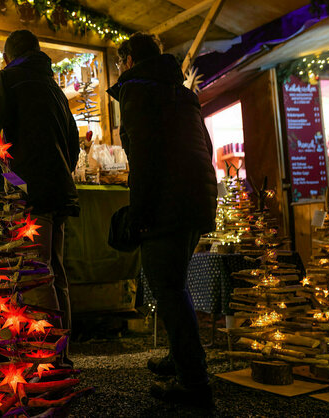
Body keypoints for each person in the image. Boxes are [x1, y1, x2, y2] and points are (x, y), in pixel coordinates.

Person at [107, 33, 216, 407]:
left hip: (167, 204)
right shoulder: (182, 94)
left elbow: (144, 158)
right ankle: (181, 358)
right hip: (194, 201)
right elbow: (206, 148)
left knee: (168, 290)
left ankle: (193, 382)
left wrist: (140, 213)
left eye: (121, 62)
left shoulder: (137, 92)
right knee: (176, 284)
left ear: (129, 61)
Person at [0, 30, 79, 334]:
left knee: (34, 273)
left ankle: (48, 361)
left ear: (6, 58)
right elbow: (72, 145)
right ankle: (63, 357)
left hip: (25, 194)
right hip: (58, 191)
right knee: (55, 273)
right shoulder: (55, 89)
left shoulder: (3, 81)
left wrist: (0, 178)